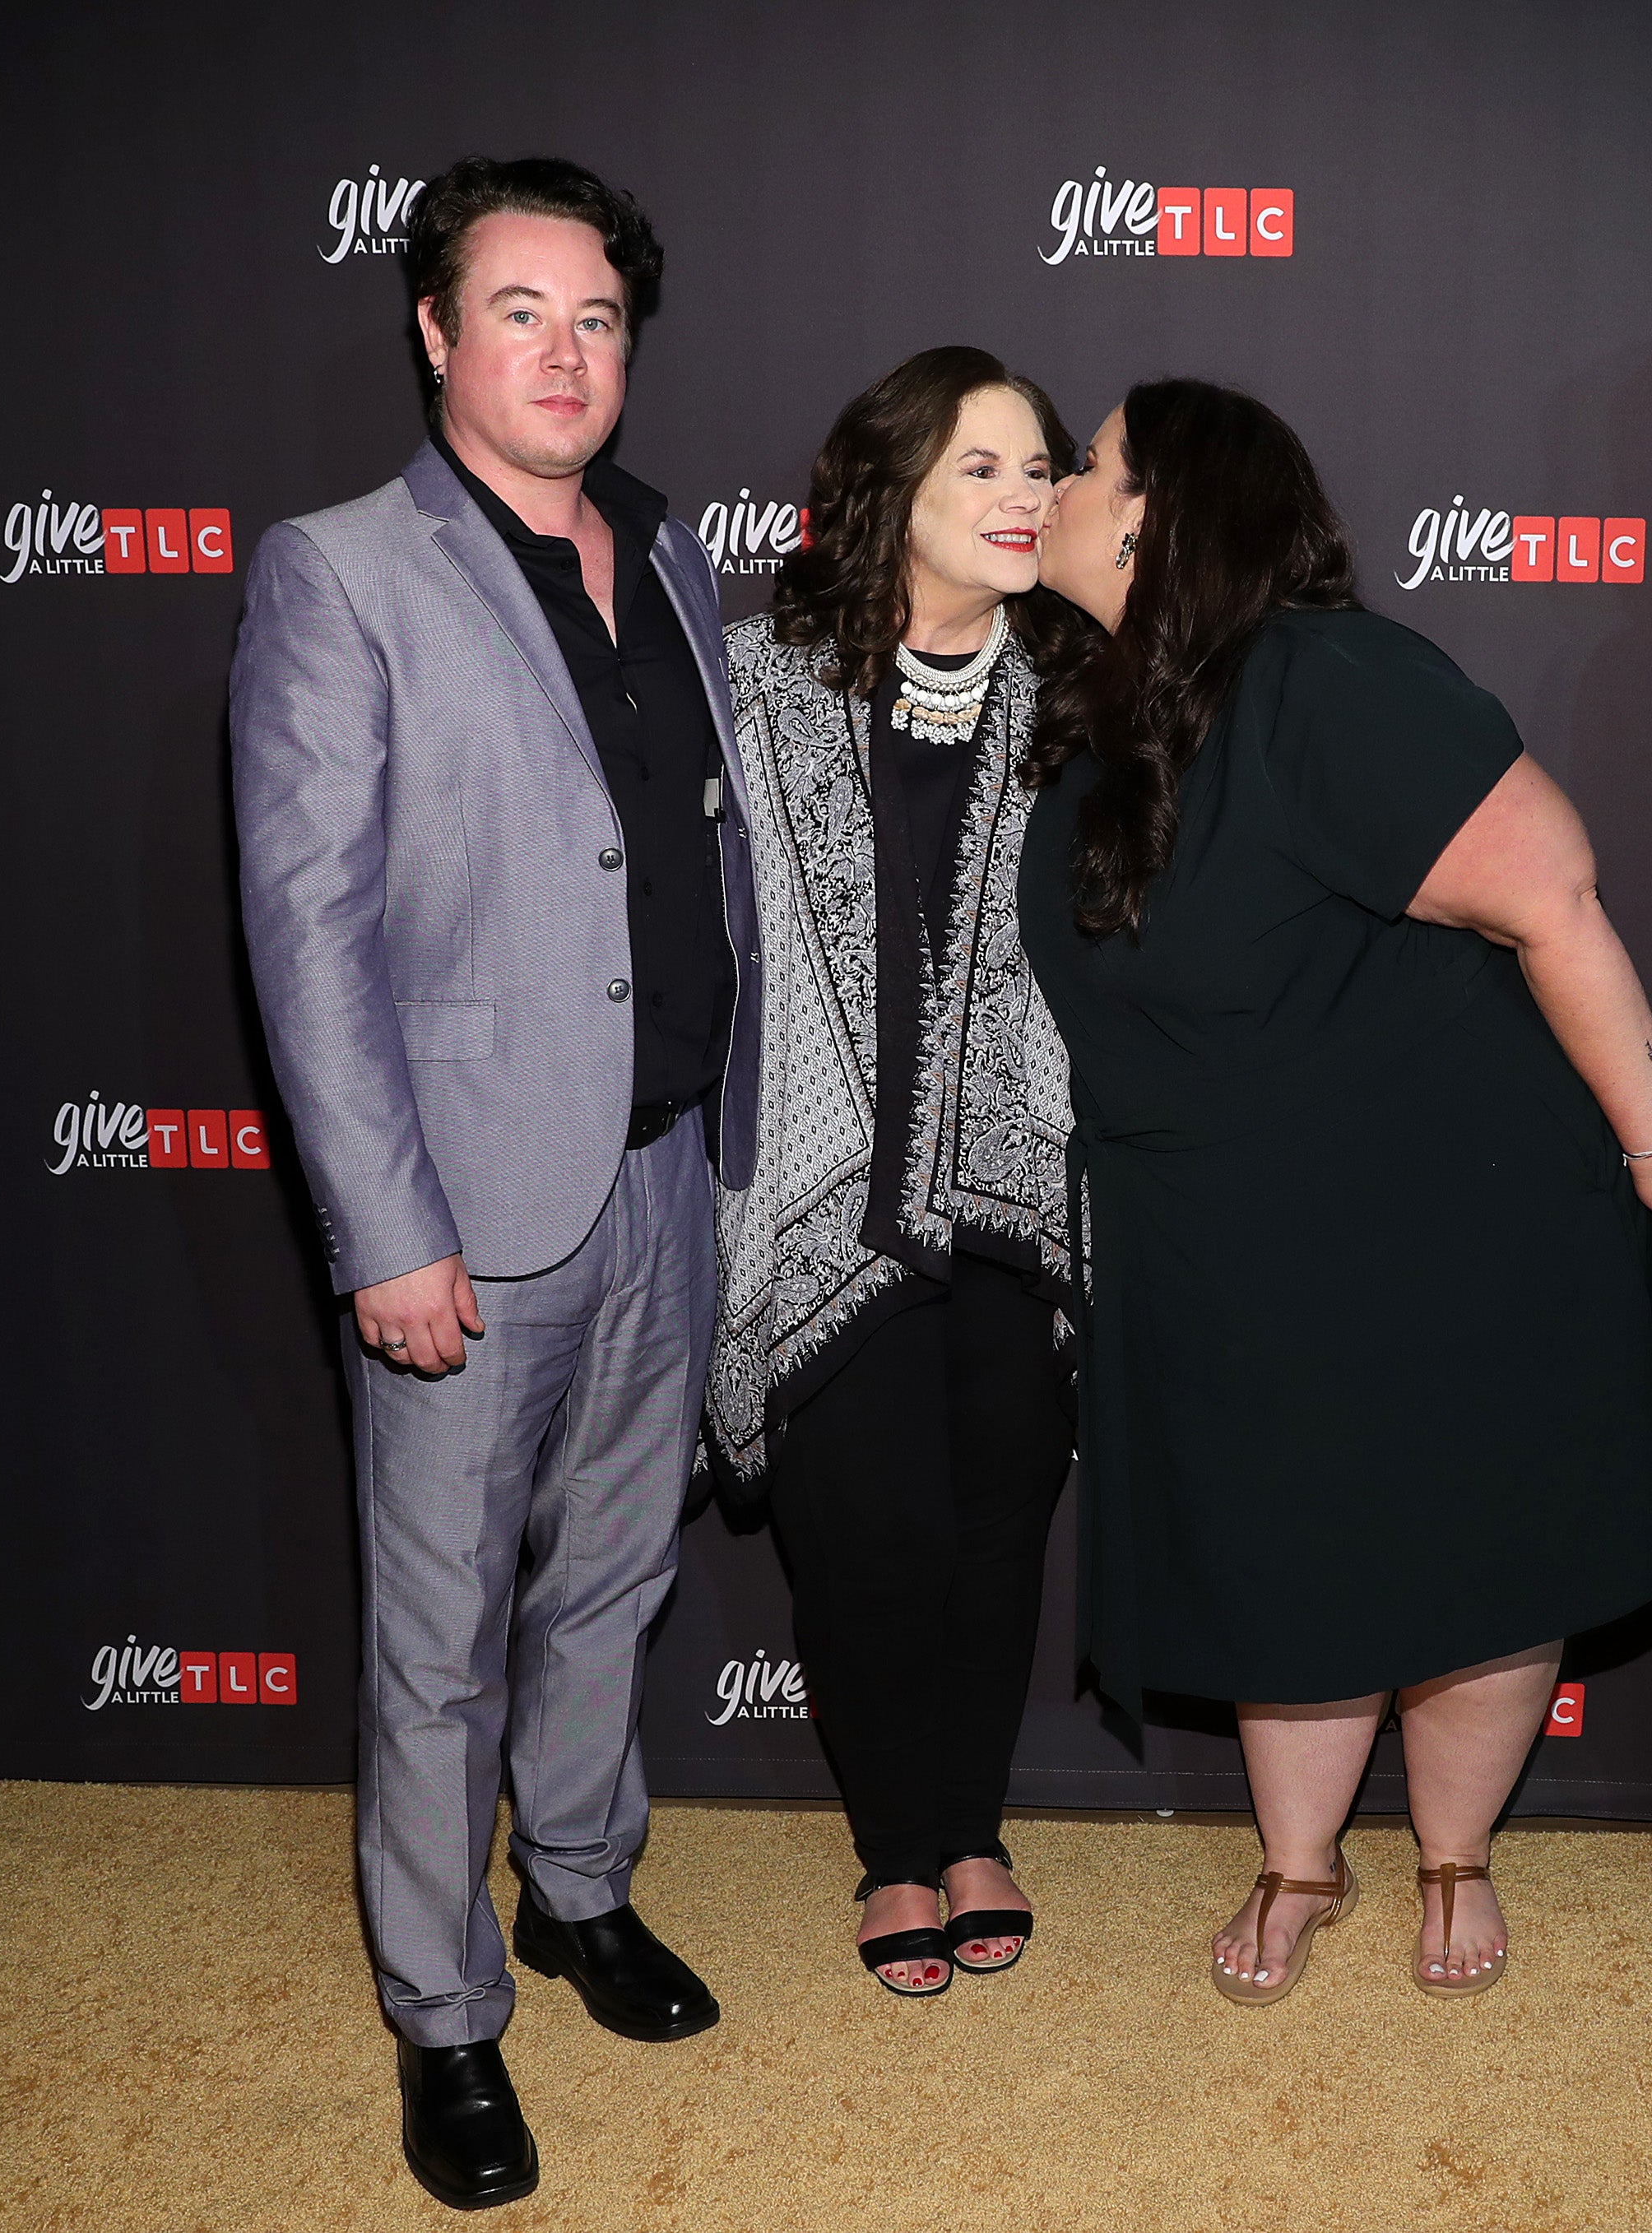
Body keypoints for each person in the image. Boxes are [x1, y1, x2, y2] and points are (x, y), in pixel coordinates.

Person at [1021, 380, 1652, 2005]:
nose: (1050, 485)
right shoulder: (1115, 713)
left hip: (1453, 1221)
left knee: (1480, 1549)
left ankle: (1458, 1851)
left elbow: (1555, 896)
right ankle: (1303, 1859)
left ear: (1155, 513)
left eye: (1084, 462)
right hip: (1235, 1243)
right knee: (1284, 1554)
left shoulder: (1323, 676)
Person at [232, 156, 762, 2212]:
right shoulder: (338, 569)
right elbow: (308, 928)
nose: (568, 350)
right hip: (466, 1199)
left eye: (600, 317)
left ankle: (575, 1891)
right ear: (438, 335)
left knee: (616, 1585)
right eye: (520, 311)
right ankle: (445, 2015)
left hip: (666, 1172)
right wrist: (386, 1225)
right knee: (444, 1628)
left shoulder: (671, 549)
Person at [705, 348, 1082, 1999]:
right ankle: (895, 1851)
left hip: (1018, 1197)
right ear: (894, 496)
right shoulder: (756, 679)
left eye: (1039, 469)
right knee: (869, 1547)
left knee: (999, 1528)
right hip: (828, 1197)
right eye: (982, 470)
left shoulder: (1079, 699)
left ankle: (972, 1825)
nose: (1024, 499)